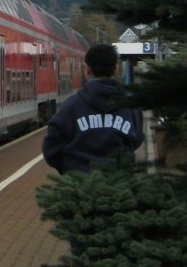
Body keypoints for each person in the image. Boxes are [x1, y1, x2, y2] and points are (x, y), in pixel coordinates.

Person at [43, 43, 145, 174]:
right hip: (120, 184)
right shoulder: (131, 105)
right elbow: (136, 140)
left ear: (87, 69)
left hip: (78, 184)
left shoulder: (70, 106)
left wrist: (69, 170)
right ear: (115, 70)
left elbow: (51, 149)